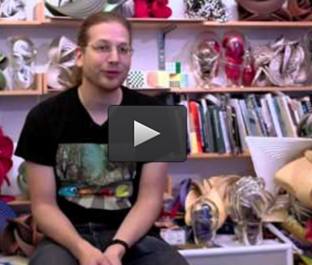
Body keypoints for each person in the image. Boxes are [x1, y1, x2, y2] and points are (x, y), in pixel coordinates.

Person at [15, 11, 189, 265]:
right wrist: (81, 248)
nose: (114, 58)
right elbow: (43, 206)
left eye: (123, 49)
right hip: (66, 237)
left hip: (132, 236)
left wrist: (118, 246)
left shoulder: (151, 114)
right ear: (79, 56)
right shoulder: (45, 118)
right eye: (102, 48)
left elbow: (150, 199)